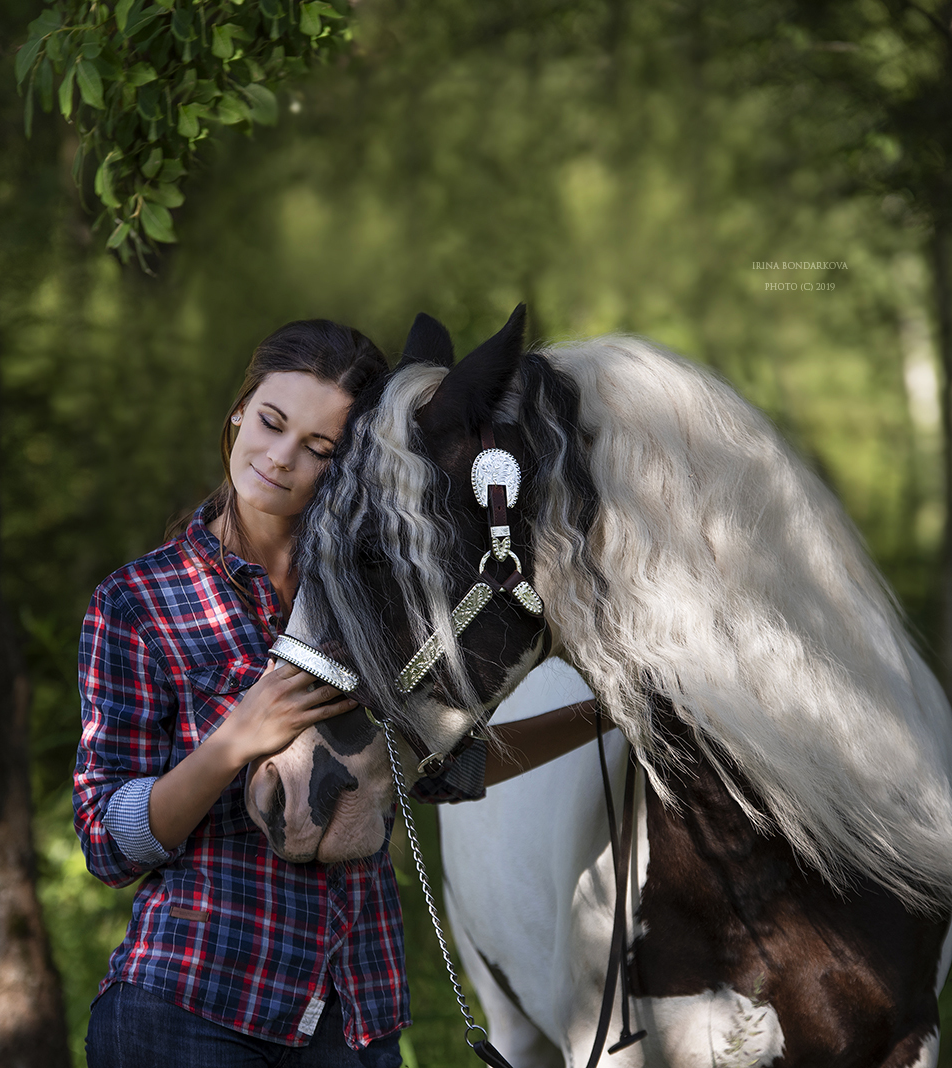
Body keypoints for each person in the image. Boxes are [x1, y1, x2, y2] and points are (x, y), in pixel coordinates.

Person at [75, 319, 604, 1068]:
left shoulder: (375, 599)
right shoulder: (140, 602)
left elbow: (442, 764)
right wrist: (233, 742)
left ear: (351, 461)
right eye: (270, 422)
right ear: (239, 409)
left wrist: (608, 714)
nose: (281, 459)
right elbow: (105, 841)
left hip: (356, 1021)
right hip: (192, 1008)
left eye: (319, 449)